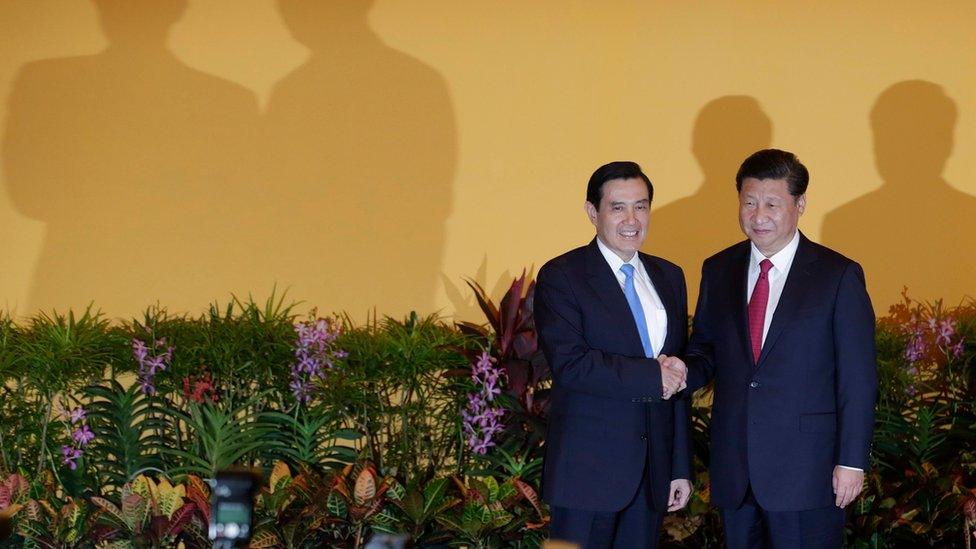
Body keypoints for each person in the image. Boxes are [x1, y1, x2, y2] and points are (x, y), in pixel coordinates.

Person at [674, 149, 877, 548]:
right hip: (736, 469)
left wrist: (852, 461)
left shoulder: (838, 276)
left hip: (809, 472)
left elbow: (858, 377)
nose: (759, 215)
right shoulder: (719, 269)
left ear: (800, 204)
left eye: (772, 203)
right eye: (749, 202)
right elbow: (706, 350)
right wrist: (678, 372)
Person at [534, 161, 693, 548]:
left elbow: (676, 375)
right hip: (586, 474)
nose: (631, 219)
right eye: (618, 207)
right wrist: (652, 376)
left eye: (641, 206)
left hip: (651, 474)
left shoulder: (669, 276)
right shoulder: (562, 275)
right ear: (593, 212)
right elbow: (572, 365)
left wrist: (678, 466)